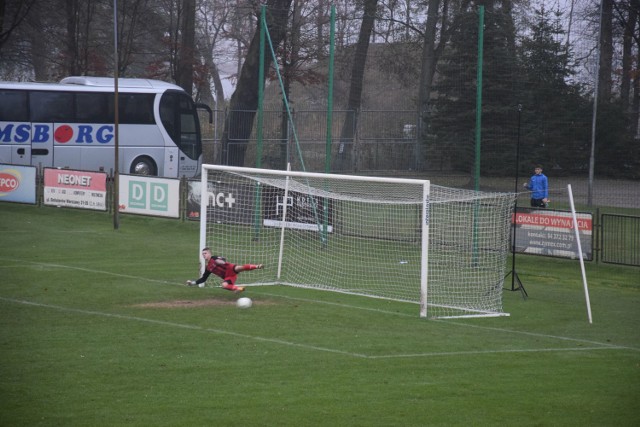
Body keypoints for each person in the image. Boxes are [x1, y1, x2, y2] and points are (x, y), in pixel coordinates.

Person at [186, 247, 263, 293]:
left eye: (205, 253)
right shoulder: (208, 268)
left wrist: (220, 261)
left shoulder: (214, 258)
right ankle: (239, 288)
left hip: (230, 268)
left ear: (209, 253)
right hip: (228, 277)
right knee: (224, 285)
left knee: (240, 268)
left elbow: (223, 259)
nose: (204, 255)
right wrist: (192, 283)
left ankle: (257, 266)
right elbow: (203, 279)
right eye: (203, 254)